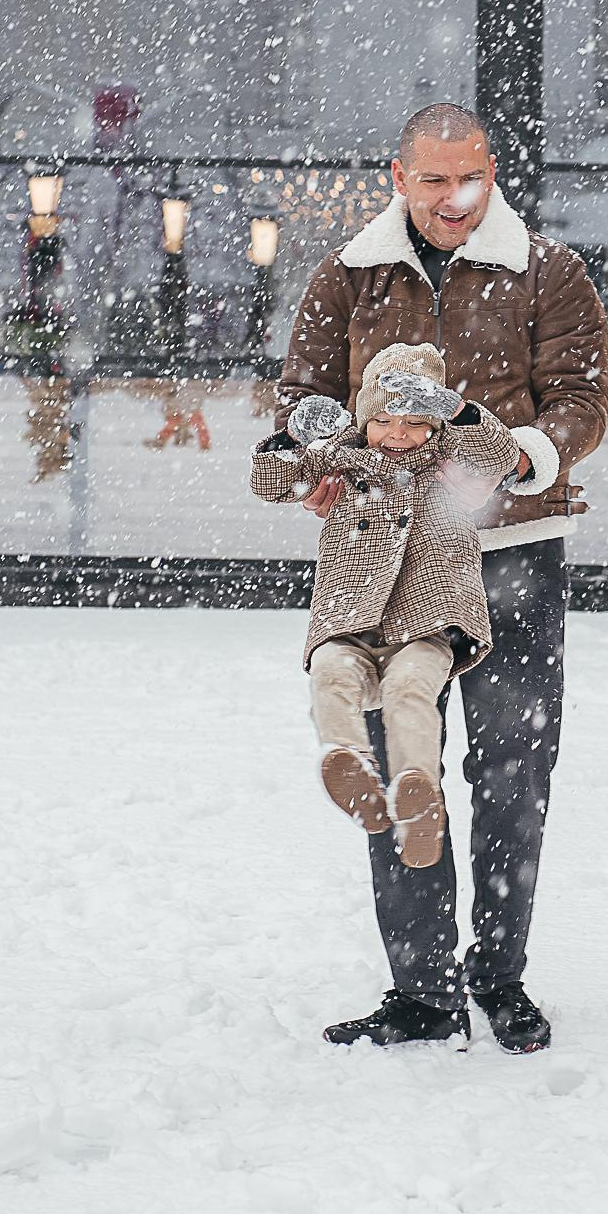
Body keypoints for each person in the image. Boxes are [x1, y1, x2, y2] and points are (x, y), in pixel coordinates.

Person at [279, 101, 608, 1054]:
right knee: (396, 769)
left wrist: (518, 457)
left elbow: (584, 403)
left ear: (492, 173)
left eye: (470, 178)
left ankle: (498, 977)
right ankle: (421, 991)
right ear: (398, 176)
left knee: (514, 771)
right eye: (434, 179)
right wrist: (325, 457)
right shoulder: (346, 277)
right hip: (388, 565)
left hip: (512, 557)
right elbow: (301, 397)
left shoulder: (551, 274)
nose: (454, 198)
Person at [249, 343, 521, 870]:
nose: (398, 434)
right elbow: (270, 482)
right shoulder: (339, 458)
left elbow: (500, 455)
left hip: (430, 617)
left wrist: (458, 411)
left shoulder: (449, 464)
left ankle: (416, 792)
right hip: (349, 615)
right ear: (363, 418)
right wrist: (291, 437)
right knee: (329, 673)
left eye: (416, 421)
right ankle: (348, 762)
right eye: (384, 420)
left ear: (435, 424)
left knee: (409, 689)